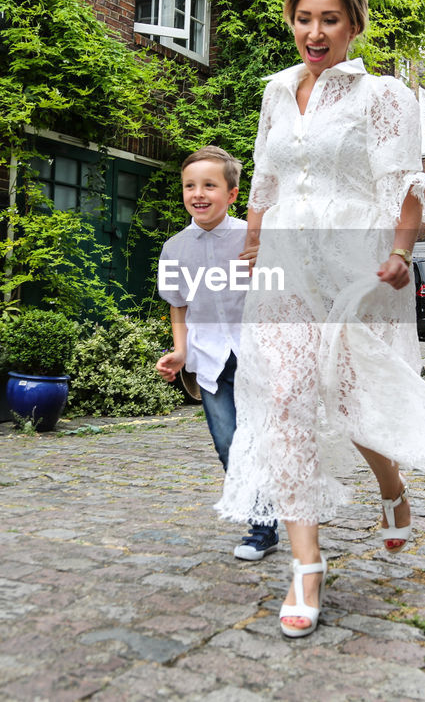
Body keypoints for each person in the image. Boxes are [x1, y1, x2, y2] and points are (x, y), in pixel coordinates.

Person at [215, 0, 425, 638]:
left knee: (352, 397)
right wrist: (252, 247)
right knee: (286, 395)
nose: (313, 33)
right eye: (303, 18)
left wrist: (403, 253)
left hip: (354, 262)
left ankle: (393, 489)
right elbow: (263, 177)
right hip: (287, 264)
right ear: (290, 21)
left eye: (328, 19)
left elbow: (405, 183)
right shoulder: (274, 90)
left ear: (353, 26)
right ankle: (306, 565)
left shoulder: (382, 95)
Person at [155, 146, 279, 562]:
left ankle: (264, 526)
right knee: (227, 443)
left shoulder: (255, 237)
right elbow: (178, 304)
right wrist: (179, 350)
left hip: (258, 356)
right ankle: (264, 517)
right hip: (210, 360)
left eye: (210, 184)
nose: (198, 193)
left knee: (263, 439)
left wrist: (271, 258)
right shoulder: (174, 248)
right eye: (190, 186)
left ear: (232, 193)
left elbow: (287, 290)